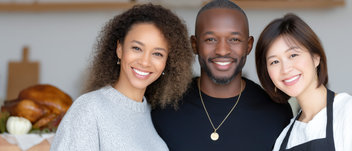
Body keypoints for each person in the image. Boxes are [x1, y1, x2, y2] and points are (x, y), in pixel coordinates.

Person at [151, 0, 293, 150]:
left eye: (234, 39)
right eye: (211, 39)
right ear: (194, 44)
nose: (222, 50)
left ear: (248, 45)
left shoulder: (277, 114)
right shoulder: (163, 108)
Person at [51, 3, 193, 151]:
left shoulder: (153, 114)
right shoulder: (89, 108)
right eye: (137, 48)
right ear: (119, 49)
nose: (145, 62)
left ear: (167, 62)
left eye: (158, 54)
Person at [255, 13, 352, 151]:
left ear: (316, 57)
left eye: (293, 55)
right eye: (274, 61)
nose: (285, 69)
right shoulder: (284, 138)